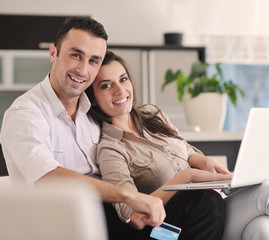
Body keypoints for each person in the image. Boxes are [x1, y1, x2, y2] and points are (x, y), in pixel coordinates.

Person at [86, 51, 269, 240]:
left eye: (123, 79)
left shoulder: (152, 114)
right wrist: (185, 178)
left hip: (214, 207)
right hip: (182, 227)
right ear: (93, 98)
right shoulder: (110, 148)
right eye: (106, 85)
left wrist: (201, 160)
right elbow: (131, 215)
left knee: (266, 230)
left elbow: (183, 148)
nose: (119, 90)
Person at [0, 17, 165, 235]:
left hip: (114, 219)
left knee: (178, 228)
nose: (82, 69)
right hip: (61, 227)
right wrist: (128, 196)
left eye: (94, 60)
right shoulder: (26, 113)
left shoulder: (95, 113)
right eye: (76, 55)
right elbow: (46, 177)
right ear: (53, 53)